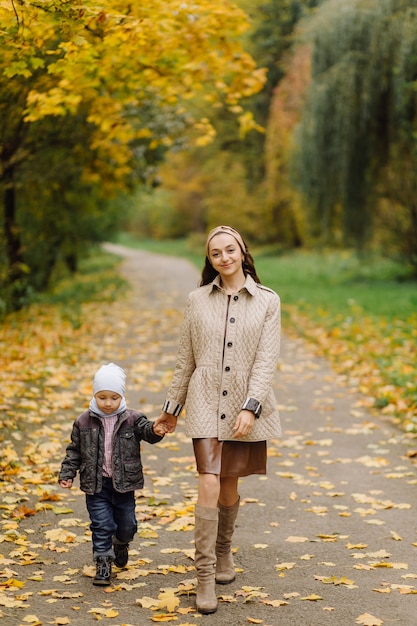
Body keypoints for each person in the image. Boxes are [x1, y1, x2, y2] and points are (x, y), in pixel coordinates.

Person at [154, 225, 281, 614]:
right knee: (208, 481)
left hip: (244, 404)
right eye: (216, 254)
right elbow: (184, 360)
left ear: (242, 252)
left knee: (228, 487)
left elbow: (266, 360)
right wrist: (171, 409)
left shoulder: (268, 301)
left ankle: (224, 552)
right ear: (209, 260)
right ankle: (204, 576)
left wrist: (251, 405)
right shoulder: (196, 300)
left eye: (230, 250)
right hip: (206, 400)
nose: (224, 258)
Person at [59, 362, 166, 586]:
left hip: (124, 484)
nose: (108, 403)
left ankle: (121, 543)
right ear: (95, 395)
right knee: (101, 525)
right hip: (96, 485)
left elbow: (147, 431)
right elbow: (74, 451)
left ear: (122, 396)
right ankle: (103, 564)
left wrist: (156, 430)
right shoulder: (83, 421)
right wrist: (67, 473)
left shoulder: (133, 419)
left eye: (114, 397)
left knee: (127, 526)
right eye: (103, 397)